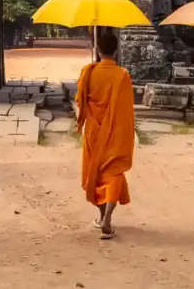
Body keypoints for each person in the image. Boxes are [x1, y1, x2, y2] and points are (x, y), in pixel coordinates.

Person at [75, 29, 135, 240]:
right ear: (117, 51)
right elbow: (128, 108)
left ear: (97, 50)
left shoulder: (88, 72)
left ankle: (102, 217)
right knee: (114, 171)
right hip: (116, 131)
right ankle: (108, 216)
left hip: (93, 130)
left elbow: (79, 101)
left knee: (97, 171)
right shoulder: (122, 75)